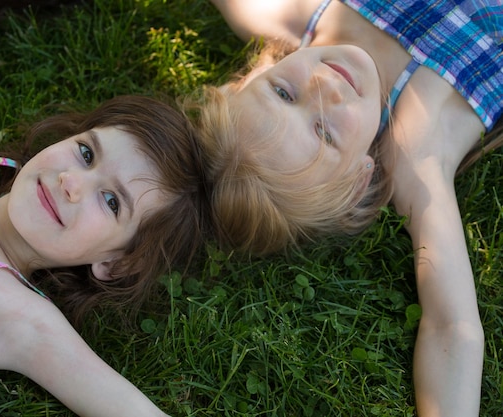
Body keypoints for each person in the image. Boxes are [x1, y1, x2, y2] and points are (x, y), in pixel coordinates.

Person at [0, 5, 209, 416]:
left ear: (115, 264)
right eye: (86, 153)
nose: (72, 182)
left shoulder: (23, 319)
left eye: (111, 202)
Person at [186, 1, 503, 416]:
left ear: (249, 79)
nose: (324, 85)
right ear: (358, 179)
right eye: (325, 132)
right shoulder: (416, 157)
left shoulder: (285, 14)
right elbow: (452, 325)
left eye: (283, 92)